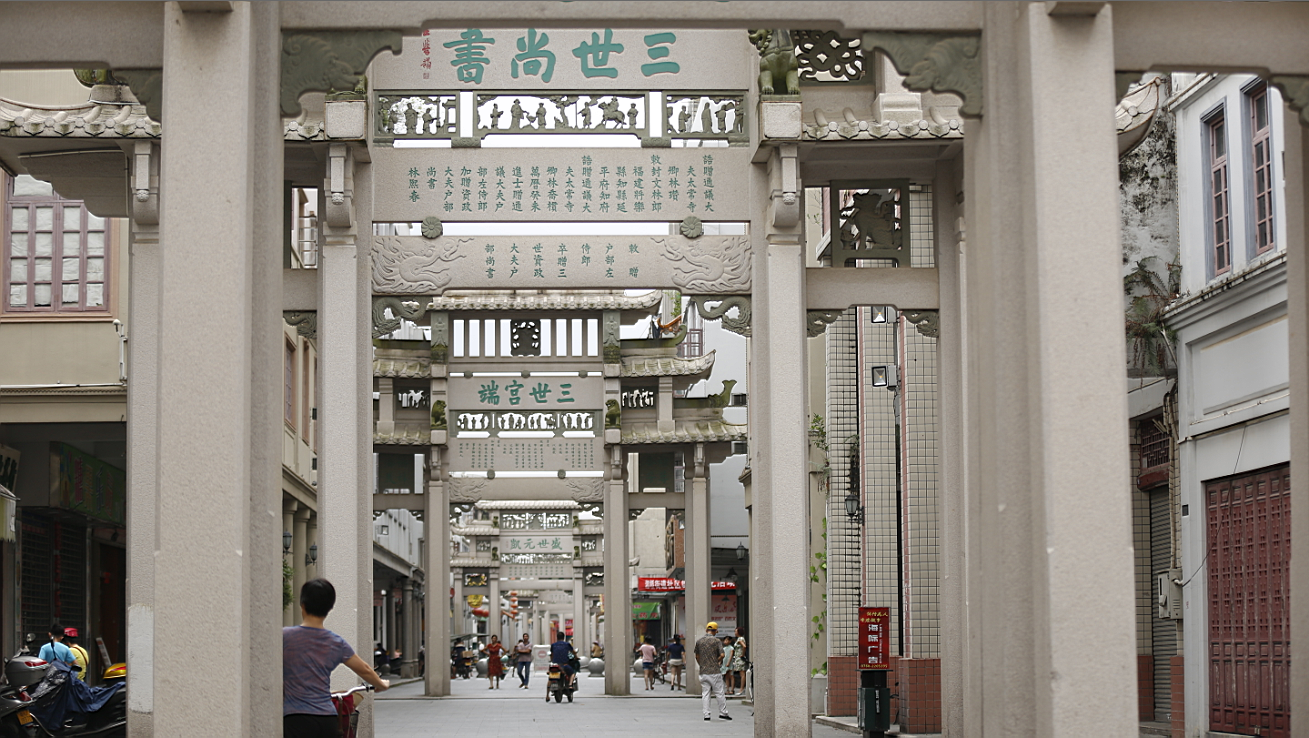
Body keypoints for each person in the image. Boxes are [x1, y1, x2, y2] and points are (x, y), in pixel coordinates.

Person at [283, 579, 389, 738]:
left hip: (296, 719)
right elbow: (365, 670)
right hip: (327, 720)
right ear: (330, 608)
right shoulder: (335, 642)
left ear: (302, 606)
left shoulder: (285, 637)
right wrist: (381, 684)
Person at [693, 622, 731, 722]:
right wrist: (717, 660)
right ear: (716, 631)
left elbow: (697, 656)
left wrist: (701, 664)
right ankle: (723, 712)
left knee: (705, 693)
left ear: (706, 630)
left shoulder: (699, 641)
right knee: (719, 692)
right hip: (714, 671)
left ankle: (706, 715)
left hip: (703, 671)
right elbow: (722, 655)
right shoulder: (717, 641)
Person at [728, 628, 748, 695]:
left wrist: (742, 655)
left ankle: (741, 689)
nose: (735, 632)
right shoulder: (740, 639)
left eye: (736, 631)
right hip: (738, 658)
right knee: (741, 673)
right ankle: (741, 689)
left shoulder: (740, 639)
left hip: (740, 659)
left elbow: (744, 646)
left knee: (742, 674)